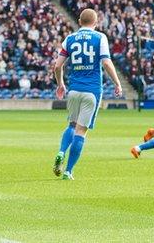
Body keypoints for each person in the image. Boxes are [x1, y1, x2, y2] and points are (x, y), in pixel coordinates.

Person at [52, 9, 123, 180]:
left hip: (74, 89)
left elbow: (57, 66)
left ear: (79, 21)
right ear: (96, 22)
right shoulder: (100, 38)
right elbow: (106, 62)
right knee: (81, 131)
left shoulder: (69, 38)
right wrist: (117, 83)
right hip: (92, 90)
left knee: (71, 125)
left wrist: (60, 83)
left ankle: (62, 151)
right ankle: (68, 171)